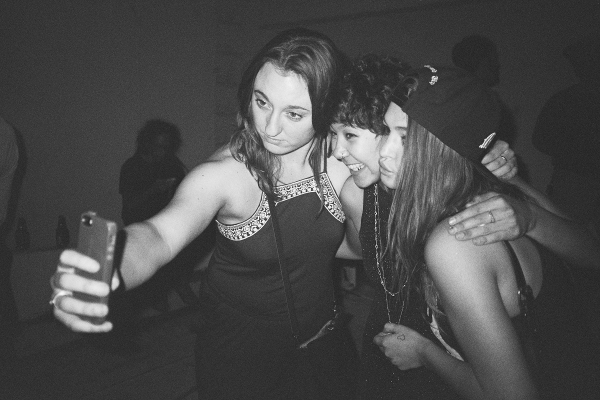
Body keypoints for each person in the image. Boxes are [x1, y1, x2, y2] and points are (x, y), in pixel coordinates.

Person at [50, 28, 359, 400]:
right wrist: (111, 266)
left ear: (326, 109)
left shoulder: (341, 159)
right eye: (262, 102)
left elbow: (347, 249)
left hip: (323, 345)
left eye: (294, 114)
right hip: (242, 357)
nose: (270, 126)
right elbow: (160, 236)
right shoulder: (224, 174)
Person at [375, 66, 600, 399]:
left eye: (406, 138)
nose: (384, 151)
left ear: (445, 150)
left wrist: (424, 354)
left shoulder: (455, 243)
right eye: (385, 130)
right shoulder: (487, 186)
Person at [330, 54, 524, 399]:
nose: (336, 150)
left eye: (349, 134)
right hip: (386, 343)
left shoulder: (461, 212)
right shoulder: (356, 194)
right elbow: (359, 250)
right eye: (333, 134)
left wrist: (497, 161)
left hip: (453, 361)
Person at [118, 119, 199, 313]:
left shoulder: (170, 164)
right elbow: (129, 206)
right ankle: (158, 300)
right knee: (154, 282)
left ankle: (181, 289)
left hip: (167, 225)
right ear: (147, 143)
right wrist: (154, 189)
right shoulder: (132, 167)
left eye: (166, 147)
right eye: (158, 146)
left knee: (181, 260)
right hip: (141, 226)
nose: (162, 151)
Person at [532, 34, 600, 237]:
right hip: (574, 182)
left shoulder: (564, 99)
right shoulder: (564, 101)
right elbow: (540, 140)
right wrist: (576, 151)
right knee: (569, 236)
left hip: (574, 181)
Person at [452, 34, 517, 146]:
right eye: (493, 59)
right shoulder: (482, 102)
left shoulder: (453, 97)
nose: (498, 65)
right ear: (482, 62)